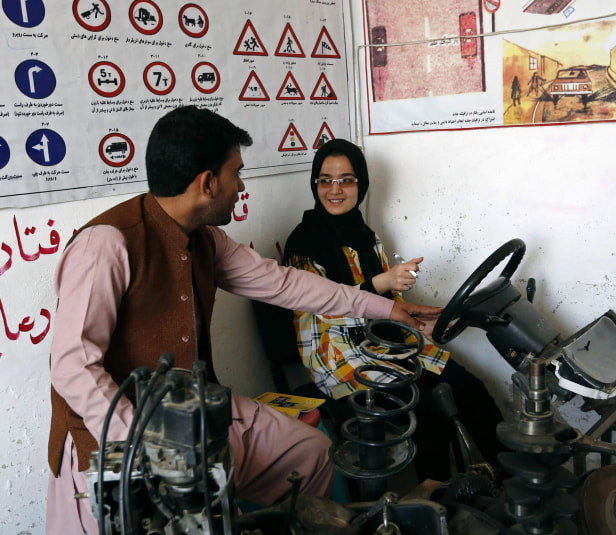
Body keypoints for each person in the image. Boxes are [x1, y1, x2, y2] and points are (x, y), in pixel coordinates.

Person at [46, 106, 441, 534]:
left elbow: (287, 284)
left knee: (309, 453)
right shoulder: (105, 245)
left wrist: (387, 307)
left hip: (196, 414)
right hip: (114, 438)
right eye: (236, 173)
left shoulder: (206, 240)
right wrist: (145, 447)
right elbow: (73, 366)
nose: (241, 186)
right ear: (208, 183)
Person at [283, 139, 504, 483]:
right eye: (325, 180)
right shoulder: (303, 243)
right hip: (337, 351)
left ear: (362, 183)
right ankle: (436, 495)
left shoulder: (367, 236)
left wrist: (418, 320)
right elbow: (321, 307)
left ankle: (502, 482)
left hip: (383, 340)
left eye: (347, 179)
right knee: (428, 407)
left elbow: (388, 306)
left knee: (469, 388)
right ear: (315, 185)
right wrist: (382, 283)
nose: (335, 190)